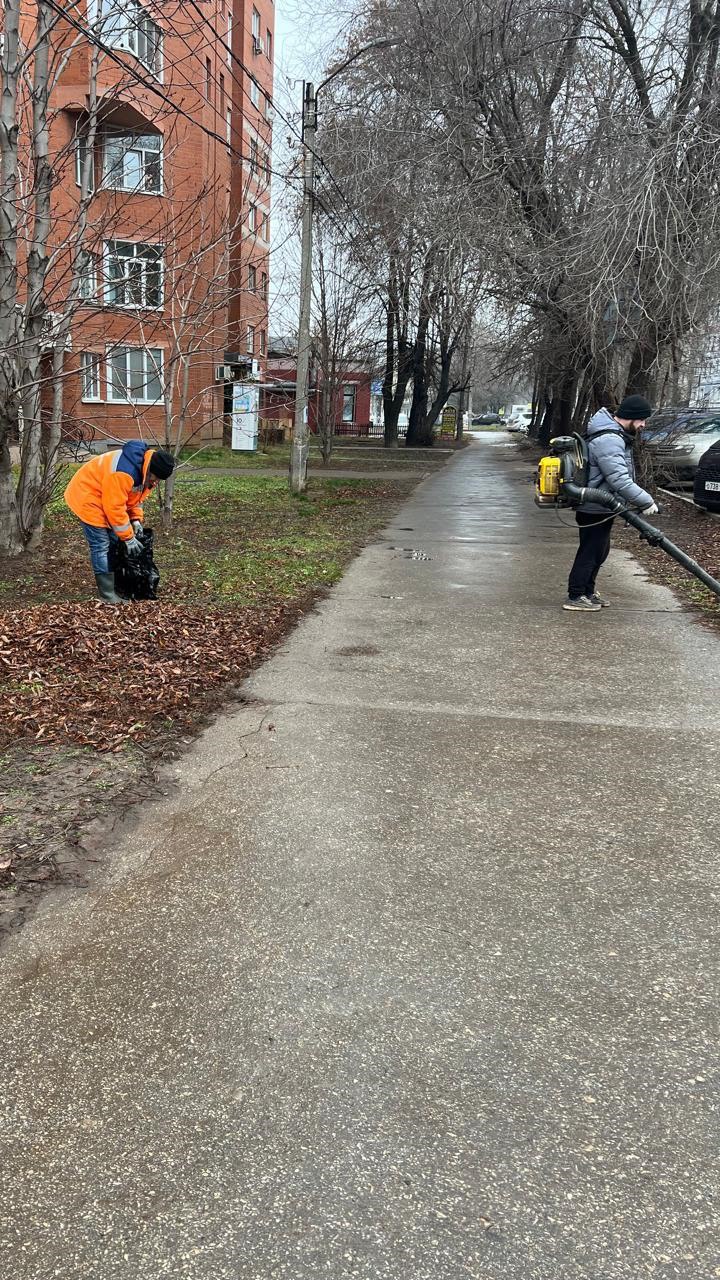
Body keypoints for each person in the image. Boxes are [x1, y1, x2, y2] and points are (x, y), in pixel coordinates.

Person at [564, 394, 659, 612]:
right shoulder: (610, 439)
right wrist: (646, 501)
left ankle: (587, 592)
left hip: (602, 505)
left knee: (599, 551)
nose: (643, 425)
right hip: (594, 505)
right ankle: (575, 595)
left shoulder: (614, 435)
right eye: (642, 419)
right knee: (590, 551)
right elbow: (618, 479)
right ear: (631, 417)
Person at [64, 441, 175, 603]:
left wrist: (135, 520)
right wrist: (128, 538)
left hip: (105, 495)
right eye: (156, 477)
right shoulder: (124, 473)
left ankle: (116, 583)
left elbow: (134, 498)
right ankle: (107, 594)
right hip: (87, 496)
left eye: (159, 480)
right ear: (150, 470)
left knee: (114, 541)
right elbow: (114, 508)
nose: (156, 482)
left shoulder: (144, 472)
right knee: (101, 544)